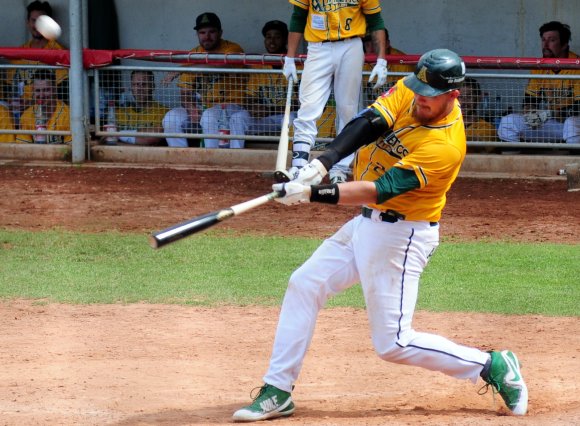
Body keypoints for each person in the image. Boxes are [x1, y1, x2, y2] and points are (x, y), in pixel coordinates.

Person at [232, 49, 528, 422]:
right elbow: (370, 121)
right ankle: (278, 389)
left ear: (453, 95)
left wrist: (311, 194)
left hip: (401, 236)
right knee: (304, 284)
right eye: (418, 87)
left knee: (393, 343)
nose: (420, 96)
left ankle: (490, 364)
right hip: (365, 226)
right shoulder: (413, 87)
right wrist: (322, 163)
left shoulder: (445, 146)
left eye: (430, 94)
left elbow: (379, 190)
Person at [282, 0, 388, 184]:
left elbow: (376, 21)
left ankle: (339, 168)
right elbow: (297, 18)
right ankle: (299, 166)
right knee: (309, 105)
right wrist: (290, 57)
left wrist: (381, 60)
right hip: (317, 46)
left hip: (351, 45)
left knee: (347, 108)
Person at [172, 12, 247, 148]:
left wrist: (183, 68)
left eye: (212, 32)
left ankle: (211, 159)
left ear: (220, 32)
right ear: (197, 34)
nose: (207, 37)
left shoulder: (232, 48)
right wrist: (191, 108)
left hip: (231, 105)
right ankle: (180, 159)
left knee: (208, 116)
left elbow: (220, 64)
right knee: (171, 118)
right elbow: (185, 91)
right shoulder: (193, 54)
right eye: (202, 32)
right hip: (204, 106)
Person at [498, 21, 580, 144]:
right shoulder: (539, 66)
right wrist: (531, 112)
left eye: (551, 40)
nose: (545, 45)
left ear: (564, 44)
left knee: (571, 124)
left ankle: (571, 162)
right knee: (508, 122)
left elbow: (578, 108)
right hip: (556, 125)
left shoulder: (576, 64)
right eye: (543, 40)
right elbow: (530, 99)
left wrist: (551, 113)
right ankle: (516, 161)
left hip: (575, 124)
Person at [228, 20, 295, 148]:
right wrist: (253, 107)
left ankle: (290, 159)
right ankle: (235, 157)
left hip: (286, 115)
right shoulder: (259, 65)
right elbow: (249, 96)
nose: (272, 41)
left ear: (286, 40)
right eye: (268, 37)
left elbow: (302, 103)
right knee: (238, 118)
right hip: (265, 117)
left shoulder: (296, 64)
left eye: (277, 37)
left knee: (291, 120)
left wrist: (270, 110)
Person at [6, 1, 68, 122]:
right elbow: (9, 89)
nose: (36, 26)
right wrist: (13, 102)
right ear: (28, 23)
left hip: (46, 110)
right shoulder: (18, 53)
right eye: (34, 21)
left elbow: (63, 94)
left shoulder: (59, 52)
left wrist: (32, 102)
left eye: (41, 22)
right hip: (18, 112)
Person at [114, 70, 169, 146]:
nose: (140, 88)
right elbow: (107, 139)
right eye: (136, 84)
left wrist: (118, 137)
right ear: (131, 87)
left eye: (144, 84)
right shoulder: (119, 113)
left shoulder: (164, 113)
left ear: (153, 86)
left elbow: (152, 139)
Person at [362, 28, 414, 105]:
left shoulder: (401, 62)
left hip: (398, 109)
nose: (372, 48)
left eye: (375, 44)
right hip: (374, 110)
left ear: (386, 44)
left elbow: (411, 96)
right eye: (367, 45)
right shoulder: (362, 64)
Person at [16, 69, 70, 144]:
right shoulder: (27, 115)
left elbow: (72, 151)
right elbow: (23, 149)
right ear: (33, 91)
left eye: (46, 90)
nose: (41, 95)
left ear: (54, 89)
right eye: (38, 90)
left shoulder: (68, 115)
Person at [460, 77, 497, 150]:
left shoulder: (486, 127)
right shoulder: (446, 124)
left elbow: (480, 145)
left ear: (478, 98)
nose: (463, 102)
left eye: (469, 96)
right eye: (460, 97)